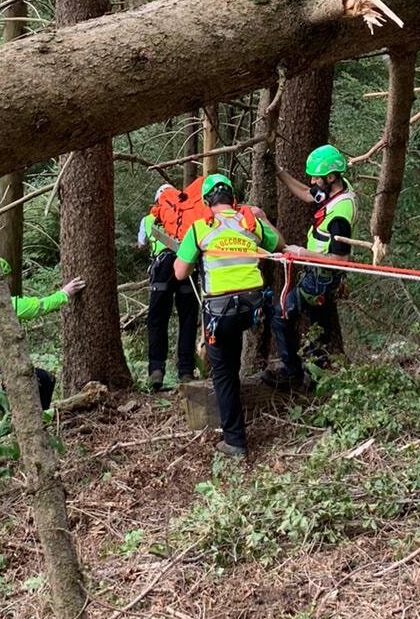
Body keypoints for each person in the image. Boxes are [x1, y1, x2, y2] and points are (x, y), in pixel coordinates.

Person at [173, 172, 287, 462]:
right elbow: (280, 245)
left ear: (207, 202)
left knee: (223, 373)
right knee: (231, 356)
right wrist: (262, 217)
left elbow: (179, 272)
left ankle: (235, 441)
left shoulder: (200, 229)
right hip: (253, 308)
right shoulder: (250, 222)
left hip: (220, 312)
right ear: (232, 199)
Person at [269, 143, 355, 386]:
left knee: (280, 314)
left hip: (322, 277)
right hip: (318, 273)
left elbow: (341, 259)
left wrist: (302, 252)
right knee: (319, 323)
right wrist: (279, 172)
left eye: (317, 177)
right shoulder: (333, 190)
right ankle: (316, 373)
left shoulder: (340, 215)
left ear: (331, 177)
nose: (313, 181)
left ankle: (292, 372)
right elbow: (308, 193)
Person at [0, 259, 85, 410]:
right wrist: (65, 293)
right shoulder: (6, 304)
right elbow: (40, 306)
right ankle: (39, 420)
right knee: (46, 380)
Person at [138, 182, 200, 390]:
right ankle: (186, 371)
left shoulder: (149, 219)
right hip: (186, 264)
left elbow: (141, 244)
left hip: (162, 268)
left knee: (157, 320)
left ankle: (156, 370)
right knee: (188, 319)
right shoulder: (187, 214)